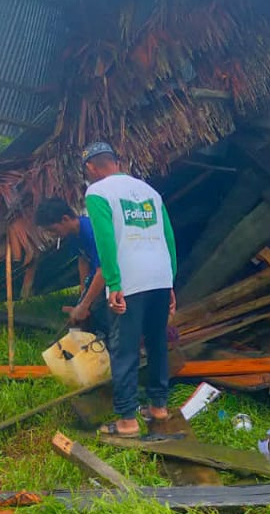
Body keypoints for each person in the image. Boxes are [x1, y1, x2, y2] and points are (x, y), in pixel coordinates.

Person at [82, 142, 177, 437]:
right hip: (160, 277)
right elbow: (169, 238)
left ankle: (127, 420)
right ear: (116, 161)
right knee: (157, 341)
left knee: (124, 348)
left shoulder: (97, 193)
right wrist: (171, 280)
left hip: (130, 281)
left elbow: (105, 241)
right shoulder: (150, 192)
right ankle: (159, 407)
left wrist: (113, 283)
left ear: (90, 168)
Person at [34, 197, 109, 338]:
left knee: (100, 314)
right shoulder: (73, 234)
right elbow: (83, 260)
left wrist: (84, 305)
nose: (51, 234)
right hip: (97, 276)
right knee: (86, 314)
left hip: (113, 278)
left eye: (52, 229)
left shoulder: (91, 231)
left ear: (65, 219)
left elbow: (103, 271)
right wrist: (83, 294)